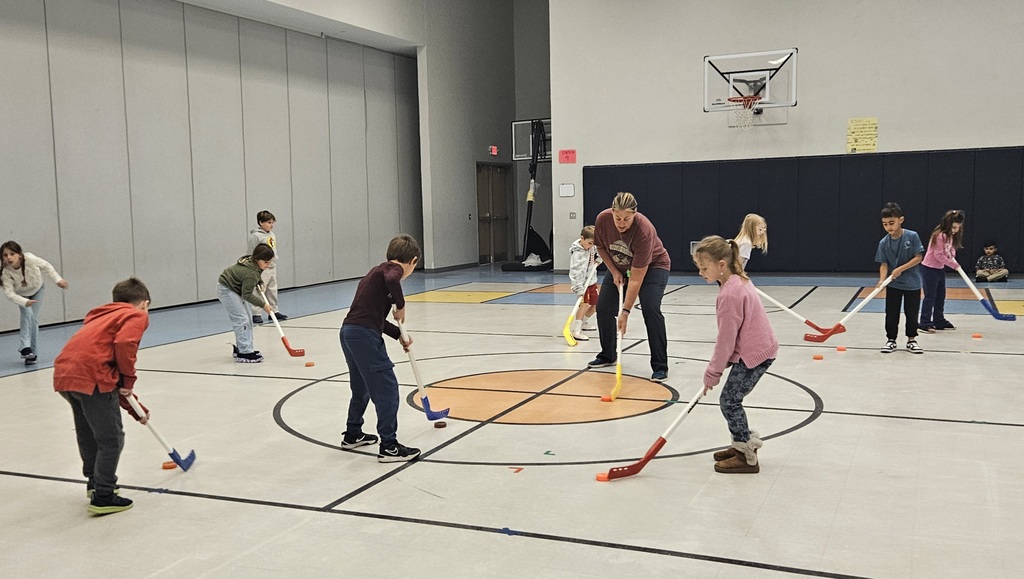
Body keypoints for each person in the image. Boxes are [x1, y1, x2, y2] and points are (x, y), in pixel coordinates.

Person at [53, 277, 151, 515]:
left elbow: (112, 382)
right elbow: (125, 344)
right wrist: (129, 380)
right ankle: (104, 495)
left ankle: (94, 483)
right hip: (92, 377)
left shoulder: (100, 317)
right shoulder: (136, 315)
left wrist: (133, 406)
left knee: (87, 430)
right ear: (144, 304)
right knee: (111, 438)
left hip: (66, 375)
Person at [693, 236, 778, 474]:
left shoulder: (729, 295)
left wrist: (713, 371)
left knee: (729, 401)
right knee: (730, 399)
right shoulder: (737, 281)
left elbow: (726, 340)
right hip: (757, 347)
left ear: (722, 265)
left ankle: (746, 456)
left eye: (704, 267)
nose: (700, 273)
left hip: (756, 353)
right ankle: (740, 443)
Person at [340, 234, 421, 463]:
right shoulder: (390, 271)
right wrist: (402, 305)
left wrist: (398, 335)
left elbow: (374, 318)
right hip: (362, 336)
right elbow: (394, 278)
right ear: (412, 261)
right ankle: (389, 446)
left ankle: (353, 433)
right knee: (387, 389)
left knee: (363, 387)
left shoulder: (375, 275)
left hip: (350, 332)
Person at [590, 192, 672, 382]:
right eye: (617, 218)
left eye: (626, 218)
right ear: (612, 212)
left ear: (635, 214)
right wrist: (614, 271)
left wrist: (625, 311)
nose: (621, 223)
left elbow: (635, 279)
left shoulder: (644, 231)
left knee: (651, 309)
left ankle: (660, 366)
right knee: (603, 309)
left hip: (653, 267)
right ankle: (607, 355)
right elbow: (601, 247)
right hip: (619, 265)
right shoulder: (603, 219)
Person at [0, 241, 69, 365]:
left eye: (12, 254)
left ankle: (32, 354)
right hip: (21, 295)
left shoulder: (30, 259)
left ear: (19, 255)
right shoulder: (5, 272)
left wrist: (58, 280)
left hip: (37, 289)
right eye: (5, 255)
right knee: (27, 316)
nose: (9, 258)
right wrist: (24, 301)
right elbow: (9, 293)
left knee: (34, 319)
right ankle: (25, 347)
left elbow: (46, 266)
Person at [875, 202, 925, 353]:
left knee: (912, 313)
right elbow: (883, 264)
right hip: (894, 285)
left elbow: (918, 258)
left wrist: (900, 269)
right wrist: (882, 280)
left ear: (900, 220)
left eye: (892, 223)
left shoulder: (912, 236)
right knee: (891, 313)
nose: (888, 227)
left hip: (912, 284)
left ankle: (912, 339)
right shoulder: (883, 243)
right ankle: (891, 340)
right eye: (885, 224)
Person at [217, 243, 275, 363]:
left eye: (269, 262)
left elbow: (256, 274)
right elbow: (247, 295)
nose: (268, 265)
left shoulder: (254, 264)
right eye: (265, 262)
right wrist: (264, 305)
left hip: (236, 288)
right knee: (241, 318)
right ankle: (244, 352)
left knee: (248, 318)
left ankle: (245, 347)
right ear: (257, 259)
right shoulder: (250, 273)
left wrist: (259, 281)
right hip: (227, 289)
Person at [919, 210, 965, 333]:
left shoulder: (950, 235)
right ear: (948, 224)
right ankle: (924, 322)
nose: (955, 230)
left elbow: (950, 249)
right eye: (954, 227)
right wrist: (953, 264)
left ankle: (938, 320)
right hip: (929, 269)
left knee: (941, 296)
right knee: (930, 296)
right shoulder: (939, 235)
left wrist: (952, 255)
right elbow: (938, 255)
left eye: (958, 228)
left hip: (939, 269)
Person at [248, 210, 287, 324]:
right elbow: (251, 252)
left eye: (272, 222)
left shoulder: (272, 235)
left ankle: (273, 311)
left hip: (272, 266)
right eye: (269, 222)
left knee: (272, 290)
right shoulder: (255, 236)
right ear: (261, 223)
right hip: (261, 268)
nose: (271, 225)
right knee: (259, 290)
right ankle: (256, 313)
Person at [567, 225, 601, 341]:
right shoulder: (578, 254)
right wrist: (578, 288)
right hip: (582, 284)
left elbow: (599, 249)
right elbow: (575, 272)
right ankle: (576, 330)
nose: (591, 246)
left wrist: (600, 258)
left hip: (591, 281)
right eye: (590, 243)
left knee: (596, 304)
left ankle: (584, 323)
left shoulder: (591, 247)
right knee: (584, 304)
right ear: (582, 238)